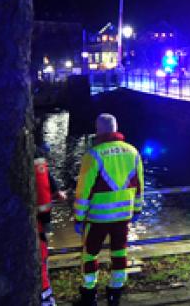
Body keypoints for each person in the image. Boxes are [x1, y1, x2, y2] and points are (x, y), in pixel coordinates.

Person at [73, 113, 145, 306]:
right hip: (123, 216)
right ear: (116, 128)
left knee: (90, 255)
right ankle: (115, 293)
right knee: (120, 253)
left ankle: (89, 295)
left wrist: (79, 218)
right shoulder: (132, 151)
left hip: (97, 217)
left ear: (98, 130)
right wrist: (137, 210)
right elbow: (139, 184)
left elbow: (83, 191)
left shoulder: (93, 154)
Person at [36, 142, 66, 306]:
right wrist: (47, 221)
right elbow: (42, 192)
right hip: (35, 223)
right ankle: (46, 300)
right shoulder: (35, 158)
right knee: (40, 261)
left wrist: (55, 189)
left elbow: (46, 176)